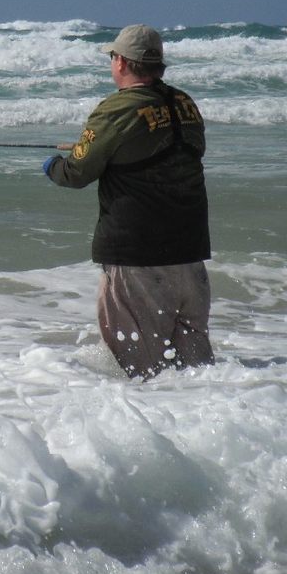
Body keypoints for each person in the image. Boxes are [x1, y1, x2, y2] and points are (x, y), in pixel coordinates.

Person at [42, 24, 214, 379]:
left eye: (112, 57)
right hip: (190, 254)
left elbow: (76, 174)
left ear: (121, 62)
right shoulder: (185, 104)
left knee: (141, 372)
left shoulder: (116, 110)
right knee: (195, 373)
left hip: (138, 257)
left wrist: (52, 166)